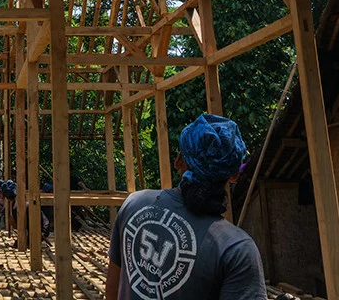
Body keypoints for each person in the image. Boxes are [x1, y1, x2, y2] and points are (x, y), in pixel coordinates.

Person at [105, 114, 266, 300]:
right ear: (234, 175)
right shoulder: (236, 249)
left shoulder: (134, 204)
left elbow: (112, 288)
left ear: (178, 160)